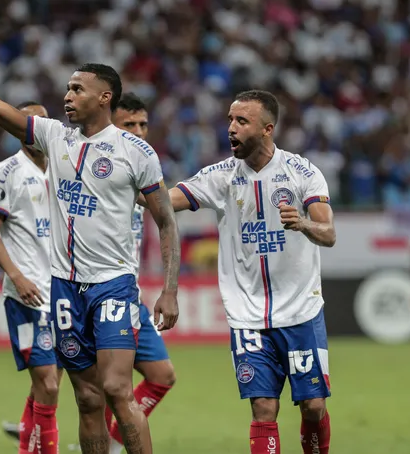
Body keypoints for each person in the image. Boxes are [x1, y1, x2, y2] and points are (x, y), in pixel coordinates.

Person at [0, 16, 181, 454]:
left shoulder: (136, 152)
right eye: (68, 88)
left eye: (77, 89)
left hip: (113, 284)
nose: (67, 96)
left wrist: (169, 290)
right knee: (87, 399)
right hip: (65, 288)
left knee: (116, 388)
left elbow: (166, 222)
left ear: (104, 97)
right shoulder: (55, 138)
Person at [143, 90, 336, 454]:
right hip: (247, 316)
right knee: (263, 409)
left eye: (241, 121)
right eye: (230, 120)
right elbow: (164, 202)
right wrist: (130, 185)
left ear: (267, 129)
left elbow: (329, 233)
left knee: (313, 407)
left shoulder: (302, 172)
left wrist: (305, 224)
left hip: (300, 312)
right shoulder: (220, 176)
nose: (231, 128)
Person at [2, 93, 177, 454]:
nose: (139, 131)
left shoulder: (136, 167)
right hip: (72, 286)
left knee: (157, 377)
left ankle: (112, 441)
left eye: (143, 125)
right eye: (130, 124)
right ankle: (32, 435)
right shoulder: (79, 163)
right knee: (59, 381)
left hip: (122, 291)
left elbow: (168, 211)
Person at [0, 101, 61, 454]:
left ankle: (29, 445)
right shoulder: (7, 171)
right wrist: (17, 276)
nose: (38, 128)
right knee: (47, 382)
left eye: (44, 122)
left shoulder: (64, 168)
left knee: (50, 382)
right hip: (27, 295)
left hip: (63, 293)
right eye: (31, 122)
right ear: (17, 128)